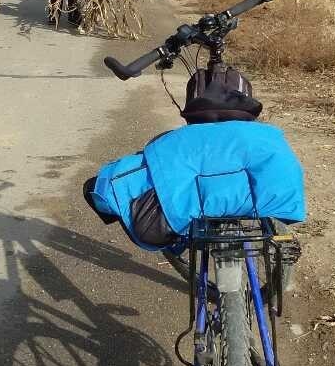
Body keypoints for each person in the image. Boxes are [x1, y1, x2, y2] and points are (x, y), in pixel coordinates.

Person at [83, 69, 306, 251]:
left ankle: (180, 236)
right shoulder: (269, 136)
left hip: (169, 212)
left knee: (98, 185)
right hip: (274, 198)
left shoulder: (170, 143)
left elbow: (105, 187)